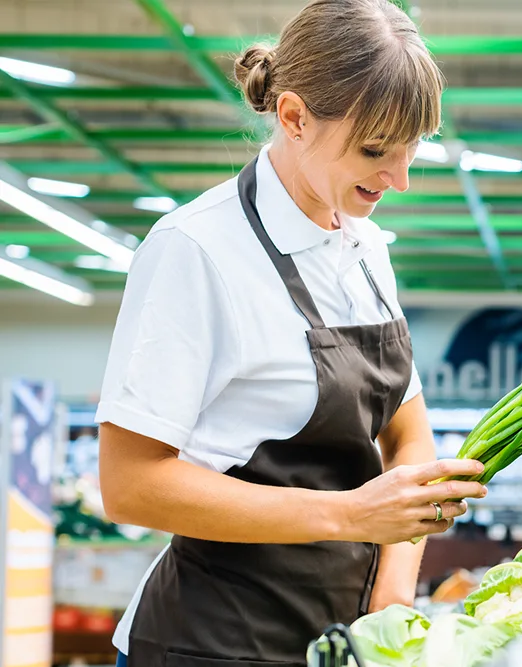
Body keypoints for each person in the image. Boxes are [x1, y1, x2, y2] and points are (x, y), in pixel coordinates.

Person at [96, 1, 488, 665]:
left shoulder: (365, 249)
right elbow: (130, 484)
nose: (400, 178)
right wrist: (352, 514)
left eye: (412, 149)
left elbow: (408, 432)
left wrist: (391, 597)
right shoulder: (197, 249)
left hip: (338, 641)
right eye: (374, 150)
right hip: (207, 642)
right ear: (294, 117)